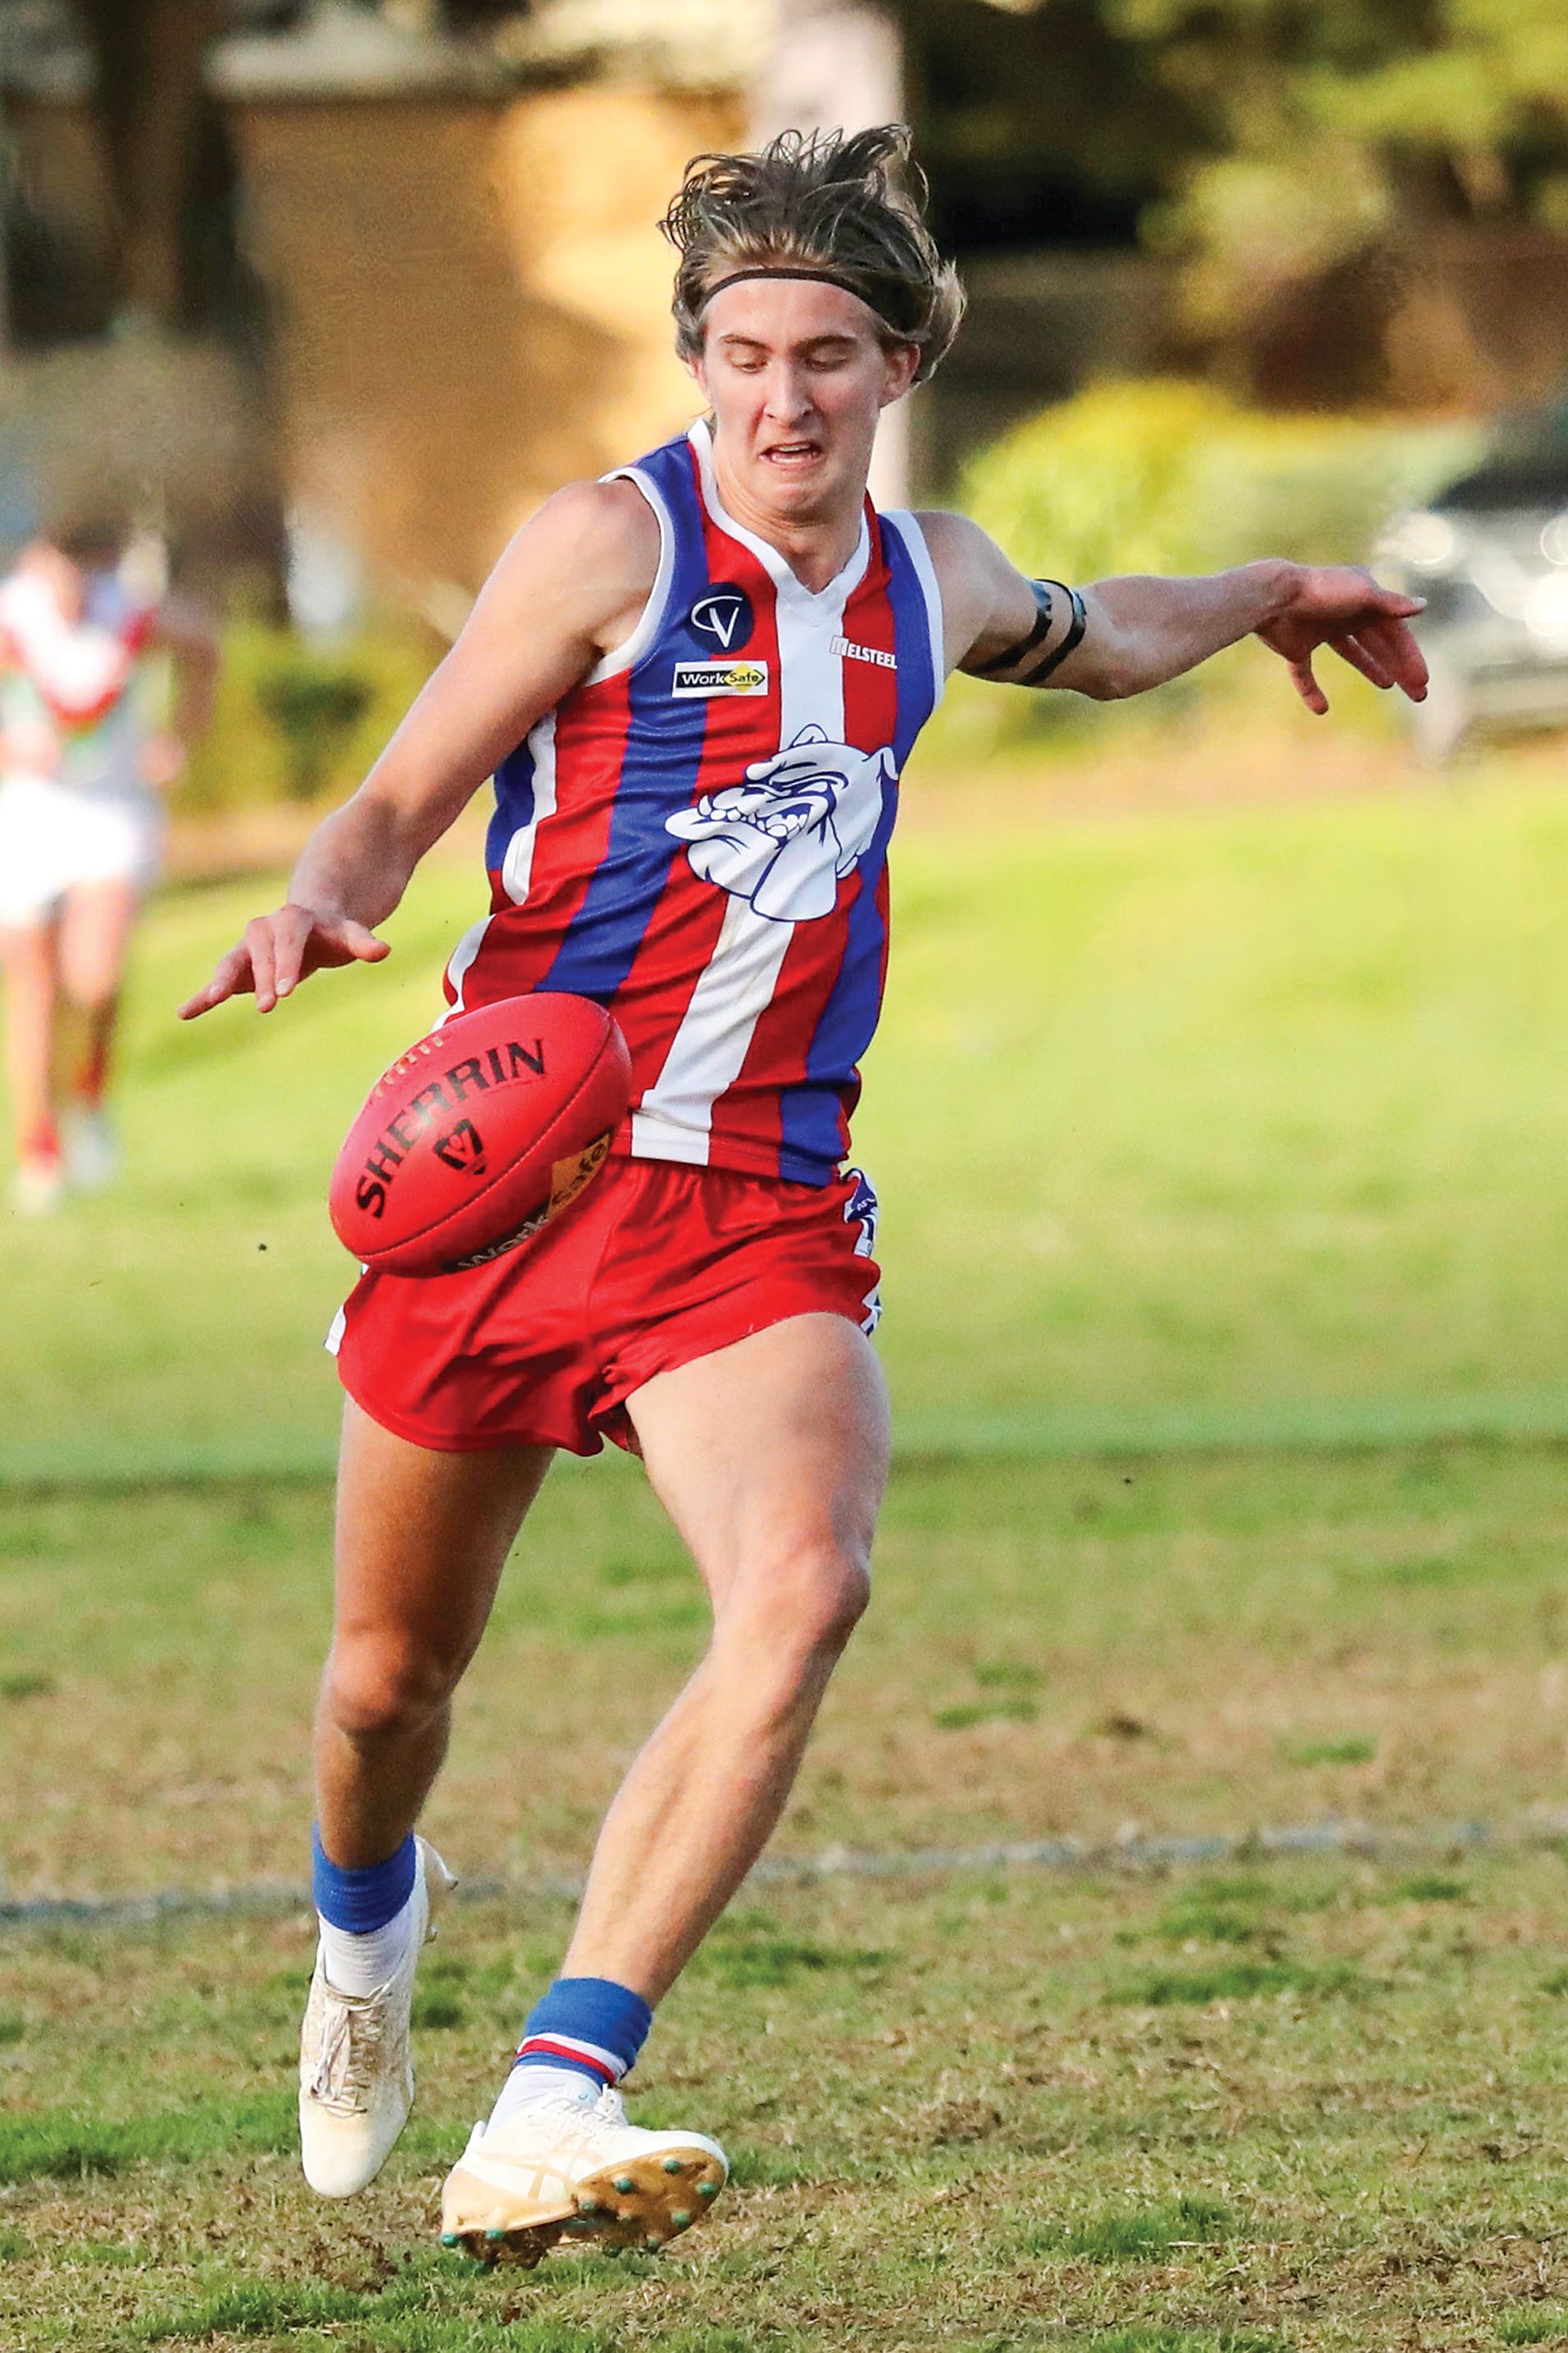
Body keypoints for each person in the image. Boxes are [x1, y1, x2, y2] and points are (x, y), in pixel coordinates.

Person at [180, 125, 1428, 2263]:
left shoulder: (930, 575)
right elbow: (394, 796)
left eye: (826, 356)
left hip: (751, 1203)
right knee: (385, 1683)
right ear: (697, 364)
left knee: (802, 1581)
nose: (782, 397)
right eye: (744, 355)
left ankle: (552, 2099)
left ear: (898, 364)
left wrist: (1263, 592)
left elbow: (1100, 632)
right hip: (510, 1187)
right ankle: (365, 1935)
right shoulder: (606, 544)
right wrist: (316, 895)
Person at [0, 522, 217, 1211]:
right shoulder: (12, 618)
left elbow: (203, 648)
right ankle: (39, 1147)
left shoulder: (126, 613)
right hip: (27, 817)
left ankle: (88, 1090)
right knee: (33, 985)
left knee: (94, 980)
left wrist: (179, 738)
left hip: (112, 818)